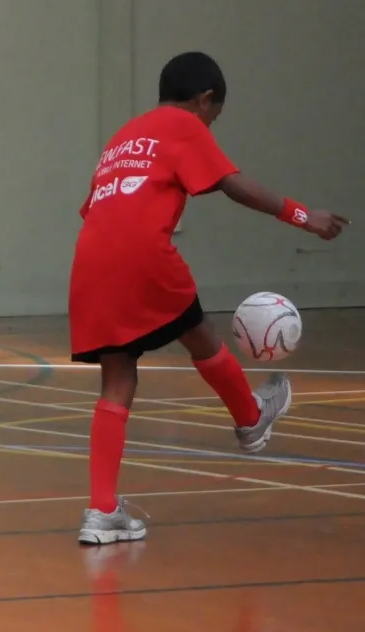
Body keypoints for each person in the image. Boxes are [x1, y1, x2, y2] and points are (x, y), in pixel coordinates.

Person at [69, 51, 349, 546]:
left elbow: (99, 205)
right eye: (215, 115)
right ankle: (249, 419)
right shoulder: (183, 125)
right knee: (199, 332)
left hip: (90, 262)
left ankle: (102, 511)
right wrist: (304, 216)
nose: (212, 125)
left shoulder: (124, 135)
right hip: (142, 257)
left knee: (117, 378)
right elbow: (232, 184)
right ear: (203, 100)